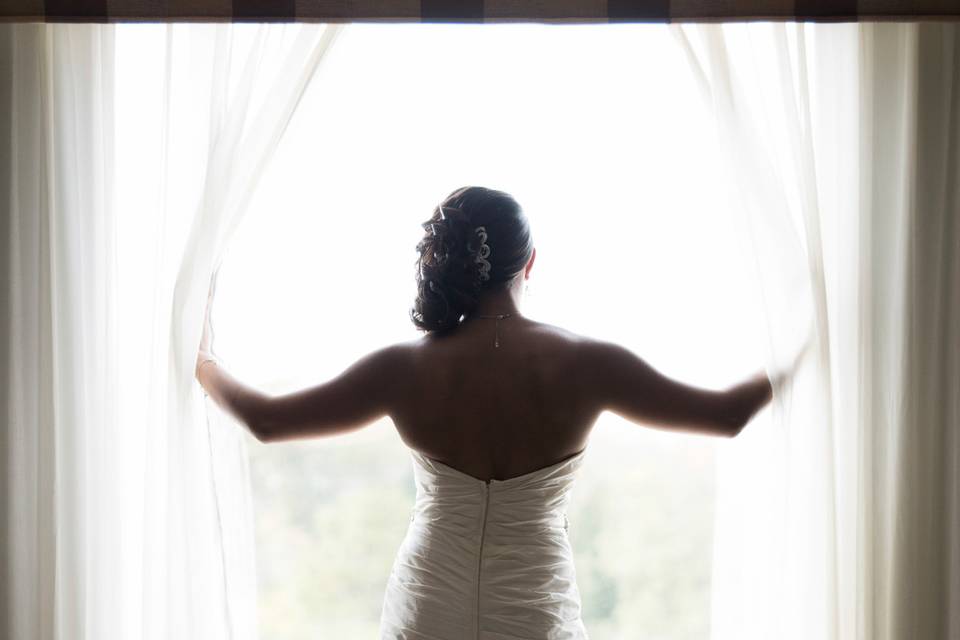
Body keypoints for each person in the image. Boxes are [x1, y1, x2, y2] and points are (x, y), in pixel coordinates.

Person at [195, 185, 802, 639]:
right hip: (532, 609)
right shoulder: (589, 364)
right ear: (530, 261)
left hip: (429, 602)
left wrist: (201, 359)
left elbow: (265, 420)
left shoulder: (403, 369)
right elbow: (727, 414)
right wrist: (803, 335)